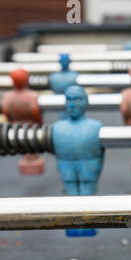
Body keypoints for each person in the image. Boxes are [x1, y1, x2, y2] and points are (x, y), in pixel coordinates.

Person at [52, 85, 104, 237]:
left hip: (89, 164)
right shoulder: (57, 128)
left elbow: (101, 154)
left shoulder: (95, 127)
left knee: (87, 193)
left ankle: (87, 223)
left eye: (77, 99)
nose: (73, 104)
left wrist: (97, 166)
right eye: (69, 100)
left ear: (86, 101)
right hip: (66, 164)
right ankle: (75, 223)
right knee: (71, 193)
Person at [1, 68, 44, 175]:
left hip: (14, 125)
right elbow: (36, 112)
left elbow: (6, 112)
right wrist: (40, 124)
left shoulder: (7, 96)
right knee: (31, 144)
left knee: (22, 144)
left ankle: (28, 160)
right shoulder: (33, 95)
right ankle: (32, 161)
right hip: (31, 125)